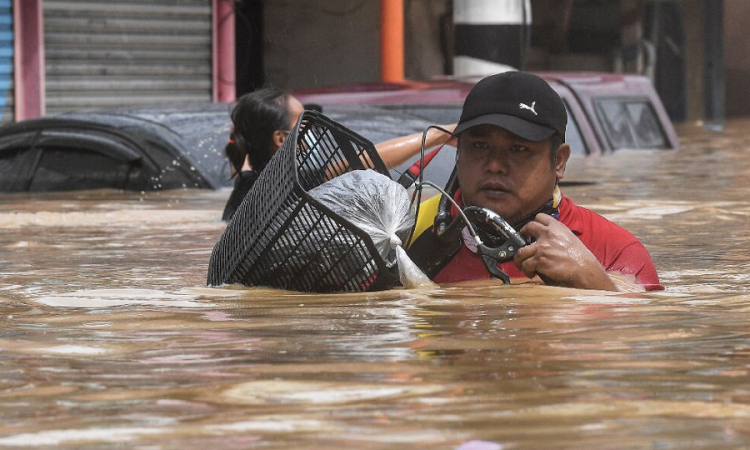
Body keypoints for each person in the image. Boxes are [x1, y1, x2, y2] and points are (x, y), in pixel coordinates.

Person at [407, 71, 662, 291]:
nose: (495, 165)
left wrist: (590, 279)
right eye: (480, 145)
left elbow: (637, 328)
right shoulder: (407, 229)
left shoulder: (615, 251)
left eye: (518, 149)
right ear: (458, 151)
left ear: (559, 161)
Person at [222, 88, 455, 221]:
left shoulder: (246, 184)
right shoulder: (290, 185)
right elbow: (361, 161)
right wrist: (436, 135)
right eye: (303, 120)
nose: (311, 126)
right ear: (281, 138)